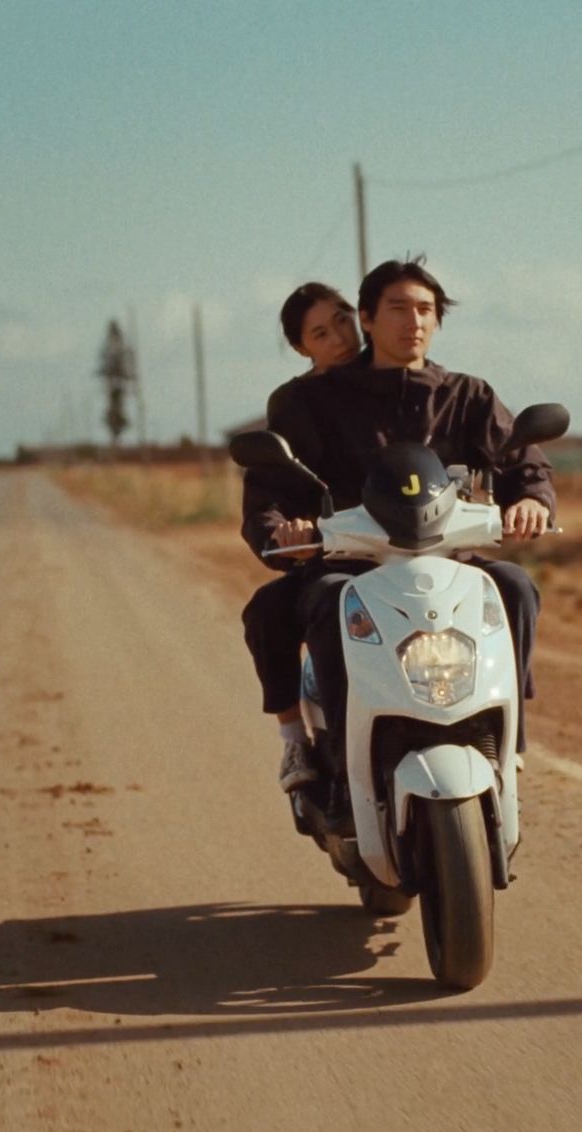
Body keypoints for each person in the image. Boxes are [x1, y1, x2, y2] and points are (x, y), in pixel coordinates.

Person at [241, 256, 554, 789]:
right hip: (352, 561)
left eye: (426, 310)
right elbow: (270, 490)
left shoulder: (468, 395)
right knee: (320, 600)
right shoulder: (312, 401)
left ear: (438, 321)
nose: (414, 321)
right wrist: (282, 533)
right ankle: (336, 756)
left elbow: (523, 460)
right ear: (368, 318)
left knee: (515, 586)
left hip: (446, 556)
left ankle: (509, 735)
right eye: (398, 308)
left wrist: (533, 501)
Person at [240, 283, 361, 791]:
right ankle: (296, 741)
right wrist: (285, 534)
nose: (340, 336)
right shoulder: (293, 405)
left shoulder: (403, 378)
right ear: (301, 348)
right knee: (267, 611)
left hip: (416, 549)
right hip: (333, 555)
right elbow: (266, 494)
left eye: (343, 318)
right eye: (320, 332)